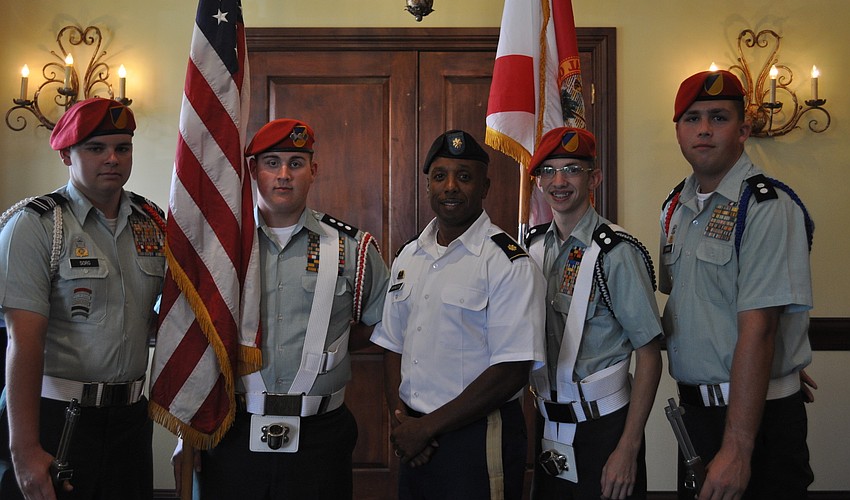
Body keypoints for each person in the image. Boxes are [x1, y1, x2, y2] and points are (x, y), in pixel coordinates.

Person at [173, 118, 389, 499]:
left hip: (320, 435)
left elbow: (383, 323)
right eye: (272, 162)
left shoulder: (354, 249)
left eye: (296, 162)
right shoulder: (219, 253)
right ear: (254, 170)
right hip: (232, 429)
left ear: (313, 171)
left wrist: (329, 347)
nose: (284, 174)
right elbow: (191, 334)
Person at [0, 98, 166, 500]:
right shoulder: (36, 225)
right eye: (95, 148)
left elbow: (162, 317)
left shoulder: (153, 223)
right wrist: (24, 451)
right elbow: (23, 342)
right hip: (58, 418)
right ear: (65, 154)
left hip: (129, 418)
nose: (112, 158)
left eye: (122, 147)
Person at [660, 70, 815, 499]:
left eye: (718, 117)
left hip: (752, 423)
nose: (704, 129)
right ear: (678, 131)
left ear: (744, 129)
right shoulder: (675, 207)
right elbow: (695, 307)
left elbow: (760, 328)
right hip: (696, 413)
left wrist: (738, 449)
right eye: (691, 118)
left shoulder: (766, 206)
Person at [370, 129, 546, 500]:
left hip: (479, 438)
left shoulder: (507, 262)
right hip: (415, 438)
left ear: (484, 186)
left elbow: (512, 370)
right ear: (428, 184)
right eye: (440, 176)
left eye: (464, 177)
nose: (450, 186)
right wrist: (404, 424)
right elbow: (391, 343)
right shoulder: (409, 256)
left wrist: (426, 429)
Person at [524, 127, 662, 500]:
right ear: (538, 184)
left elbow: (649, 356)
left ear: (594, 178)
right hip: (547, 423)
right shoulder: (532, 249)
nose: (559, 181)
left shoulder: (617, 252)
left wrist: (628, 448)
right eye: (548, 172)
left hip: (605, 429)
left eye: (571, 169)